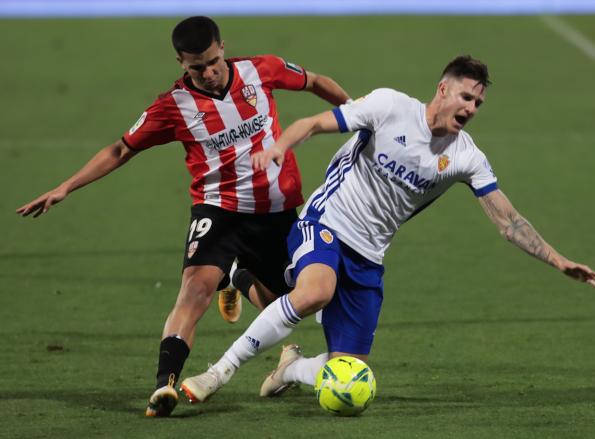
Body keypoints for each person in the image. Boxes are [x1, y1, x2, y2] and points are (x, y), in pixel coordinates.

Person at [174, 55, 595, 403]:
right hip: (326, 223)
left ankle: (292, 366)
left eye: (478, 104)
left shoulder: (466, 157)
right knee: (315, 292)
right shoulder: (389, 107)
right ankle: (217, 373)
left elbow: (508, 221)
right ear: (442, 89)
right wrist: (279, 148)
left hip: (369, 256)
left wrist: (557, 260)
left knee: (349, 371)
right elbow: (313, 124)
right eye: (466, 97)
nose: (470, 109)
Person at [15, 16, 351, 417]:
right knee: (195, 290)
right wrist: (65, 187)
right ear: (180, 62)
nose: (207, 73)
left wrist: (355, 114)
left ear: (222, 47)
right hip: (218, 210)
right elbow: (121, 149)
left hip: (276, 213)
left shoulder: (261, 70)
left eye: (212, 62)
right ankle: (165, 385)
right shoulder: (173, 106)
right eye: (196, 67)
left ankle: (237, 276)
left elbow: (313, 81)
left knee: (287, 305)